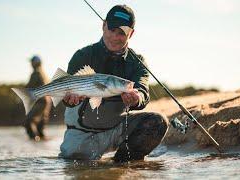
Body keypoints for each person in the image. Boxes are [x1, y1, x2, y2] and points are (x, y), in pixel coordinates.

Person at [59, 5, 169, 162]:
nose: (115, 37)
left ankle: (121, 165)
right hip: (82, 133)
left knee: (157, 122)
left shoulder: (138, 62)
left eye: (122, 33)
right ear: (103, 25)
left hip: (117, 129)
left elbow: (143, 92)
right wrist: (68, 100)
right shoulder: (82, 55)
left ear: (131, 33)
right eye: (111, 29)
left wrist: (137, 98)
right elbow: (67, 96)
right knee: (74, 167)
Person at [24, 55, 52, 141]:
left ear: (35, 63)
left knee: (28, 122)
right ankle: (42, 143)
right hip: (47, 101)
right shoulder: (44, 74)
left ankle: (35, 140)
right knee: (40, 126)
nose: (30, 64)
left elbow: (29, 87)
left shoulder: (36, 73)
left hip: (40, 101)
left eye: (31, 62)